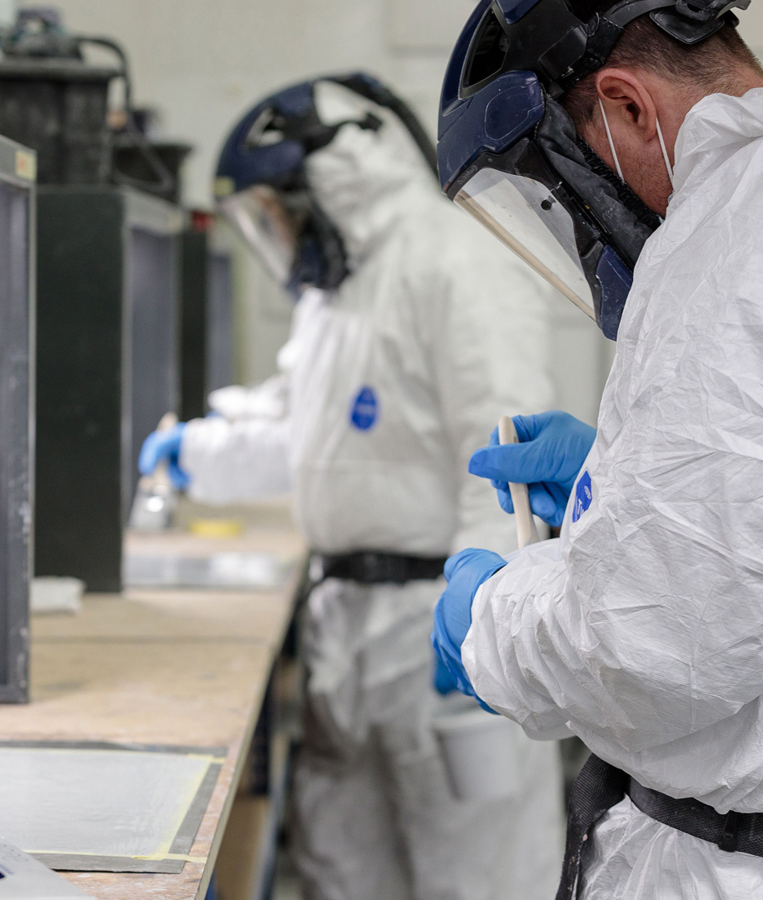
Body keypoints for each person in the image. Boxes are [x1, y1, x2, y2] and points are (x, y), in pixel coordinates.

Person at [430, 1, 763, 898]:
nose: (591, 220)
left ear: (629, 106)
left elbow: (655, 648)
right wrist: (617, 486)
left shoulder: (744, 242)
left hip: (749, 868)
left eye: (567, 178)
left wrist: (490, 619)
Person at [140, 74, 565, 900]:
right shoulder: (336, 298)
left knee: (478, 878)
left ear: (331, 173)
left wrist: (486, 621)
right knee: (341, 870)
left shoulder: (455, 259)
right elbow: (311, 439)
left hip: (437, 629)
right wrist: (202, 452)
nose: (283, 237)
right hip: (347, 634)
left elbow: (502, 457)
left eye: (280, 210)